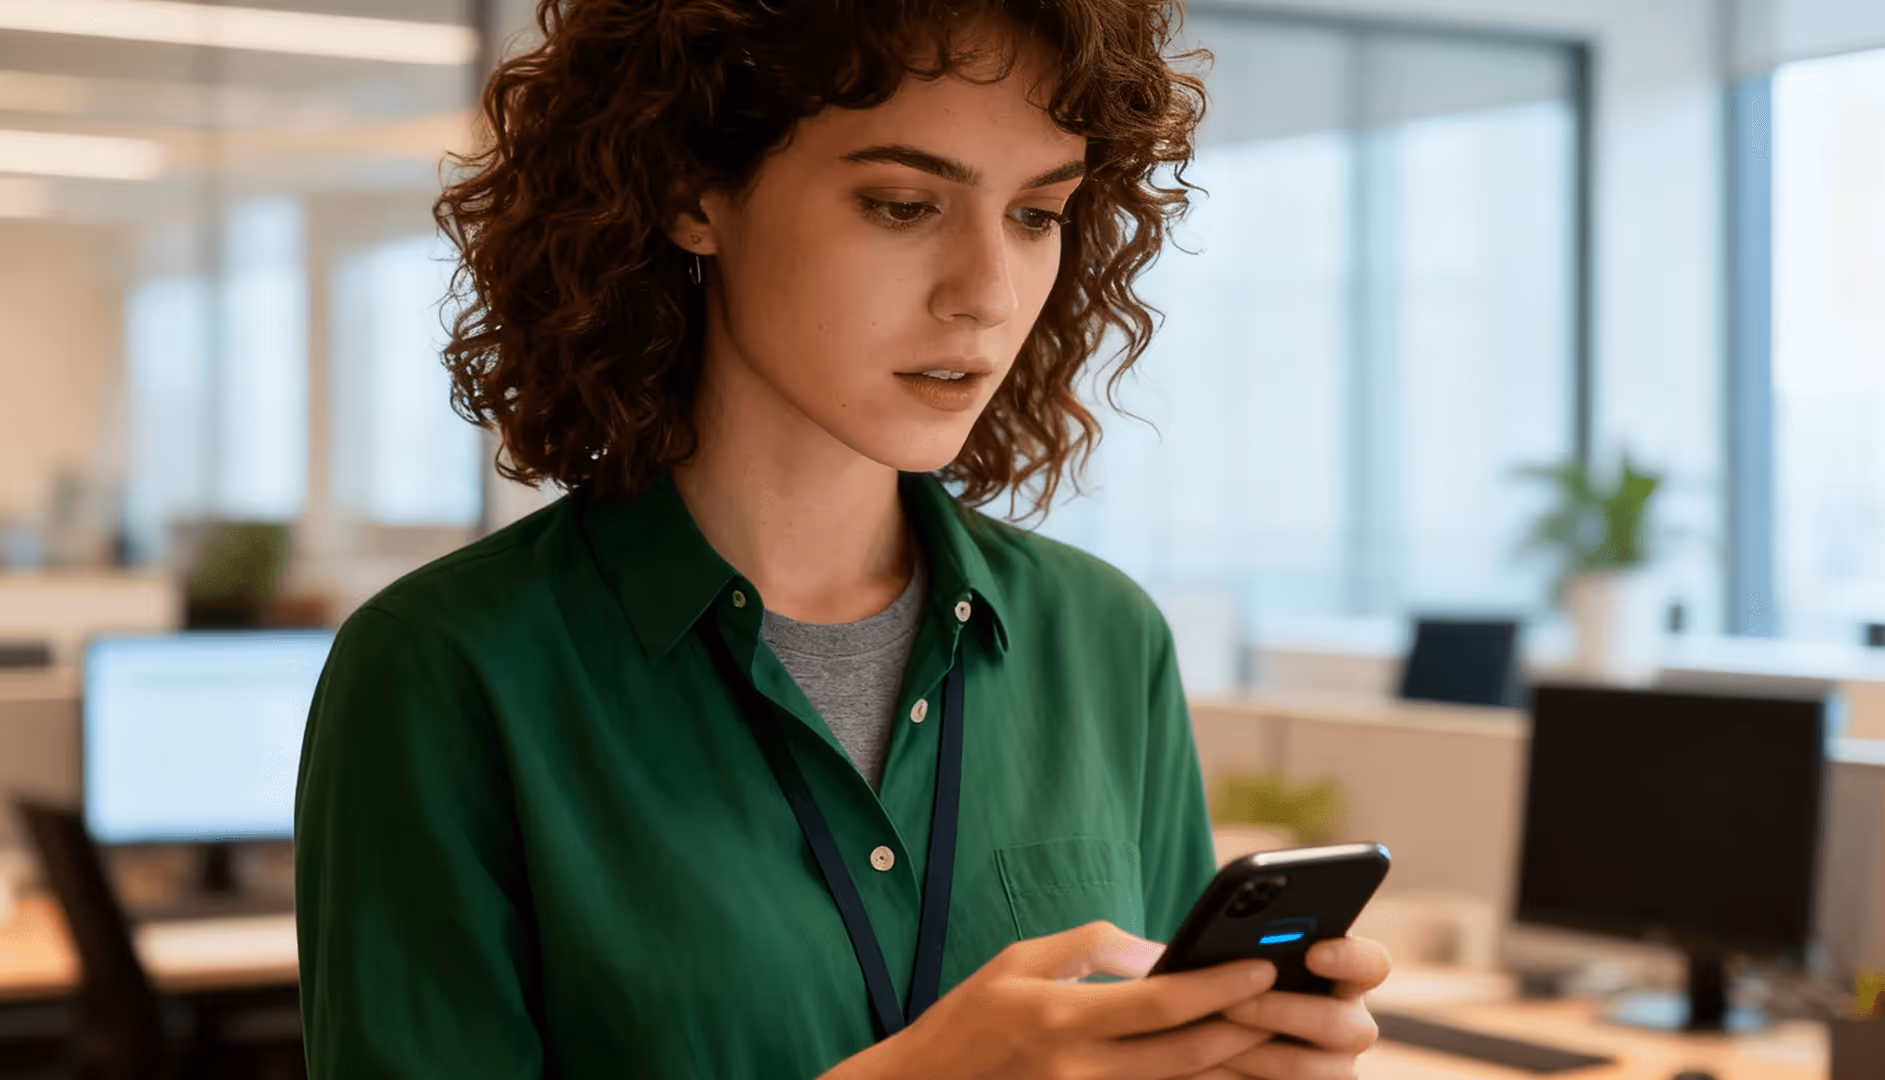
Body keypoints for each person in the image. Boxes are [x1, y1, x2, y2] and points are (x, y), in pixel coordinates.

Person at [293, 0, 1392, 1076]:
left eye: (1036, 215)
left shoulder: (1106, 639)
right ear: (694, 189)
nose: (989, 295)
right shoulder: (443, 669)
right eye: (906, 204)